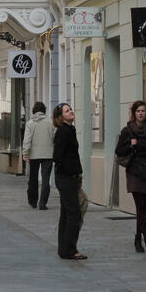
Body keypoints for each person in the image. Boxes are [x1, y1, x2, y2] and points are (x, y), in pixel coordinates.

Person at [115, 100, 146, 252]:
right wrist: (131, 145)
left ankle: (138, 238)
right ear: (134, 113)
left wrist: (140, 145)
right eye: (138, 111)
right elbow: (119, 150)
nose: (141, 113)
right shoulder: (128, 130)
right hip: (134, 171)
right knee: (140, 208)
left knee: (142, 208)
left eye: (143, 111)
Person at [53, 103, 86, 260]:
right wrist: (70, 173)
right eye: (67, 111)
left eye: (71, 109)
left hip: (69, 177)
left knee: (66, 213)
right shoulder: (63, 132)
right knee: (74, 214)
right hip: (66, 178)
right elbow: (58, 157)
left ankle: (64, 249)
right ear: (60, 117)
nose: (71, 111)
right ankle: (70, 249)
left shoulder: (70, 130)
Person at [22, 102, 54, 210]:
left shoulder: (30, 123)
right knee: (46, 179)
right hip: (48, 154)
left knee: (33, 178)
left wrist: (25, 153)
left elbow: (27, 140)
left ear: (34, 110)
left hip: (34, 154)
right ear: (44, 110)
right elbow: (55, 138)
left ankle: (33, 201)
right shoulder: (51, 122)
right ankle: (43, 203)